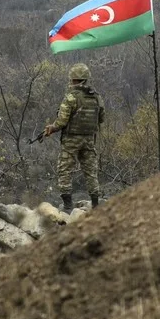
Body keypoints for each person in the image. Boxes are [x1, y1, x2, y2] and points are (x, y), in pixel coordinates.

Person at [44, 63, 105, 211]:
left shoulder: (71, 97)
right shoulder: (97, 97)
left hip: (71, 140)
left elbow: (62, 121)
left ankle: (68, 206)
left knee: (65, 170)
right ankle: (96, 204)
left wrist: (52, 128)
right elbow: (101, 118)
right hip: (89, 139)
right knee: (91, 171)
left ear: (74, 80)